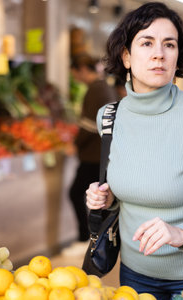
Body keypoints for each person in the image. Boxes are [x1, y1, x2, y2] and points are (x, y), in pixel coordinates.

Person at [84, 2, 183, 300]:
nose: (159, 53)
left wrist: (182, 234)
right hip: (134, 275)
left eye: (169, 44)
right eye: (147, 42)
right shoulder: (108, 117)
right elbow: (126, 194)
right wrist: (105, 198)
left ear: (177, 56)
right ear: (126, 56)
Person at [65, 53, 118, 256]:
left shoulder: (96, 90)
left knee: (78, 193)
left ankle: (85, 239)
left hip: (94, 155)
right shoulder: (105, 87)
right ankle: (100, 241)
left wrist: (75, 144)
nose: (75, 77)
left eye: (75, 72)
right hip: (101, 154)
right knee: (101, 199)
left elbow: (89, 125)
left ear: (82, 69)